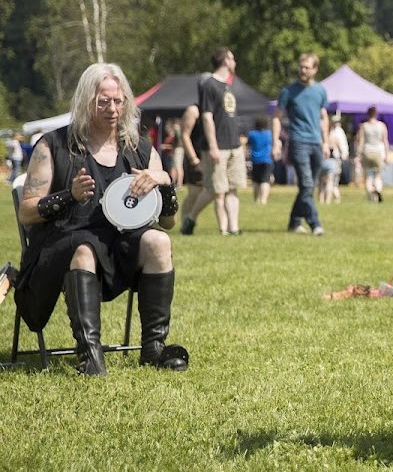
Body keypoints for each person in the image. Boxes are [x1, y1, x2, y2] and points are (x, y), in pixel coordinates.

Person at [13, 63, 188, 374]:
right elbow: (26, 211)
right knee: (83, 247)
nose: (112, 109)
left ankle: (154, 347)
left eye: (118, 101)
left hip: (118, 245)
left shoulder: (139, 149)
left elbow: (168, 223)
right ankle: (90, 355)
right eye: (103, 101)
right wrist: (69, 195)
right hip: (64, 243)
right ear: (86, 102)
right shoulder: (54, 145)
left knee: (159, 241)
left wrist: (164, 183)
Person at [273, 52, 330, 235]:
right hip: (298, 142)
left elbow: (323, 117)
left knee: (309, 186)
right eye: (301, 66)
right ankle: (315, 223)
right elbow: (277, 118)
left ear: (315, 69)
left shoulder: (320, 91)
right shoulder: (288, 91)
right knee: (306, 185)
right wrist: (276, 142)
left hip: (316, 143)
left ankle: (294, 222)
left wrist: (326, 142)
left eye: (307, 67)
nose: (303, 70)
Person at [199, 47, 245, 236]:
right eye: (232, 59)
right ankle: (222, 230)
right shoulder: (209, 84)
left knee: (233, 189)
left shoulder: (228, 85)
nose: (234, 62)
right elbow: (207, 117)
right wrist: (213, 146)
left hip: (234, 145)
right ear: (226, 60)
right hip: (219, 146)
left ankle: (234, 228)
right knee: (219, 191)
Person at [178, 92, 214, 235]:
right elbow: (185, 135)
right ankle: (185, 224)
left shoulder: (212, 110)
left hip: (208, 155)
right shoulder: (193, 111)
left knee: (212, 191)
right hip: (195, 156)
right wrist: (194, 159)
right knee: (194, 193)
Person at [355, 106, 388, 203]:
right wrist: (386, 154)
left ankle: (371, 195)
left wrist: (358, 155)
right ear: (376, 114)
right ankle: (377, 190)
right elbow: (385, 141)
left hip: (367, 151)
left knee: (368, 176)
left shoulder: (364, 126)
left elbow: (361, 142)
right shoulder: (382, 126)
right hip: (378, 152)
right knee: (377, 175)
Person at [320, 113, 349, 204]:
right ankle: (330, 200)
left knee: (321, 183)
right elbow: (341, 147)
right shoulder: (335, 135)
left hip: (322, 160)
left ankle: (321, 201)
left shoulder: (321, 136)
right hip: (332, 160)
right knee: (331, 182)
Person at [247, 117, 274, 205]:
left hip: (255, 160)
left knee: (256, 181)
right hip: (267, 159)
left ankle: (256, 199)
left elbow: (248, 146)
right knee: (265, 181)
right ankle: (263, 200)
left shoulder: (252, 134)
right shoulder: (269, 134)